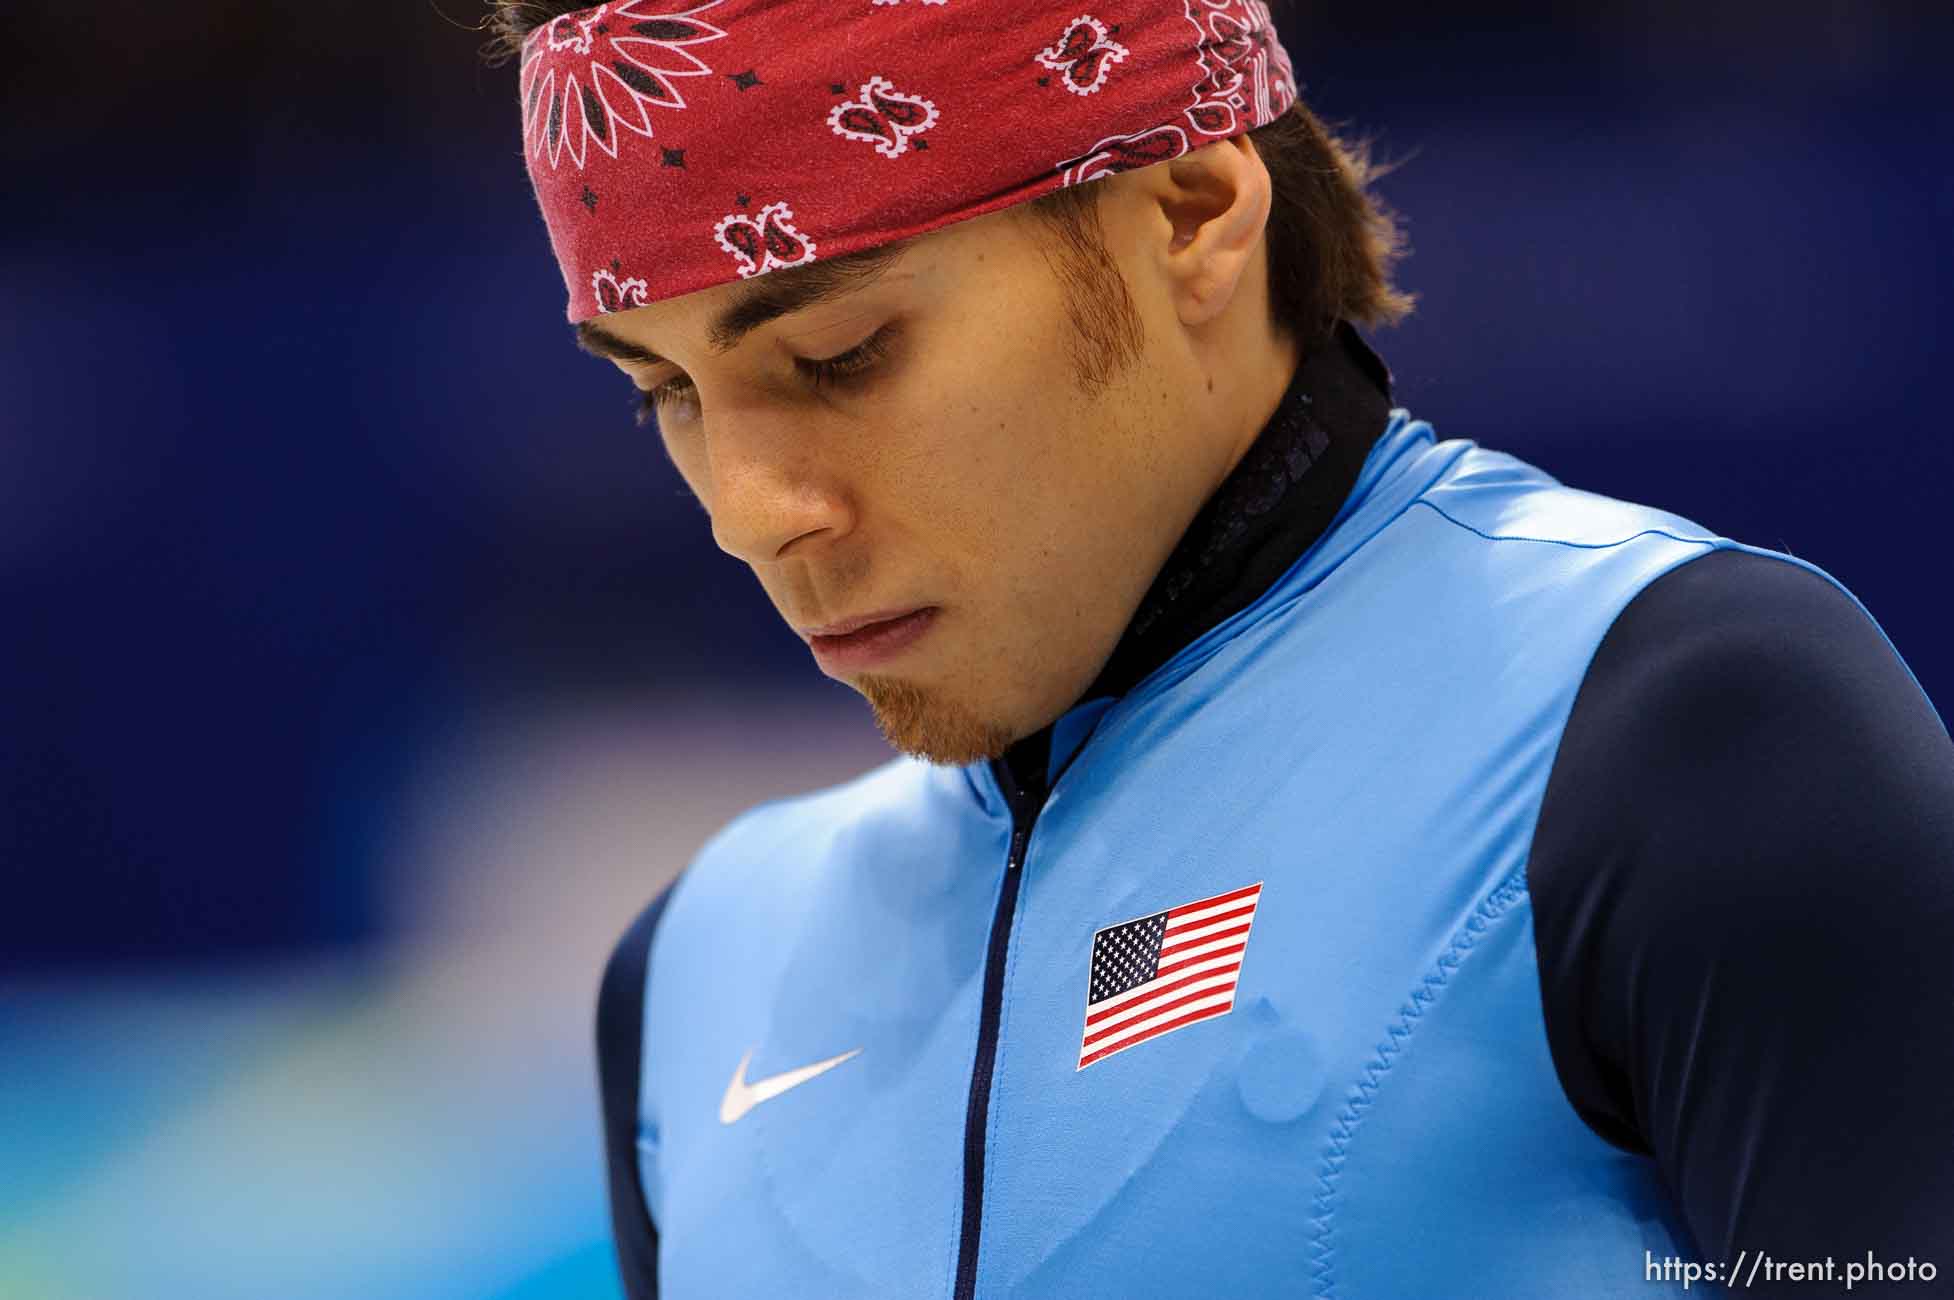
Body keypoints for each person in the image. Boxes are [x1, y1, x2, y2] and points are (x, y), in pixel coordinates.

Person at [482, 2, 1954, 1295]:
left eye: (838, 356)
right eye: (661, 392)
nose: (749, 515)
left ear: (1189, 212)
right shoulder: (694, 971)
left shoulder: (1680, 729)